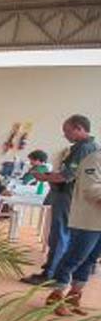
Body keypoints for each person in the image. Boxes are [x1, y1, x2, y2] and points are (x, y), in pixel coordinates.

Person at [21, 114, 99, 286]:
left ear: (79, 128)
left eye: (67, 131)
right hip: (72, 197)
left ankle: (51, 274)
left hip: (68, 195)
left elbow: (67, 176)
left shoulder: (84, 148)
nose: (65, 135)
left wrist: (44, 177)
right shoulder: (86, 147)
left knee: (60, 235)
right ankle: (56, 273)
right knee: (64, 235)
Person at [44, 145, 101, 316]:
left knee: (90, 260)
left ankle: (74, 296)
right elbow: (90, 189)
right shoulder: (94, 159)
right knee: (75, 257)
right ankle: (56, 295)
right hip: (88, 219)